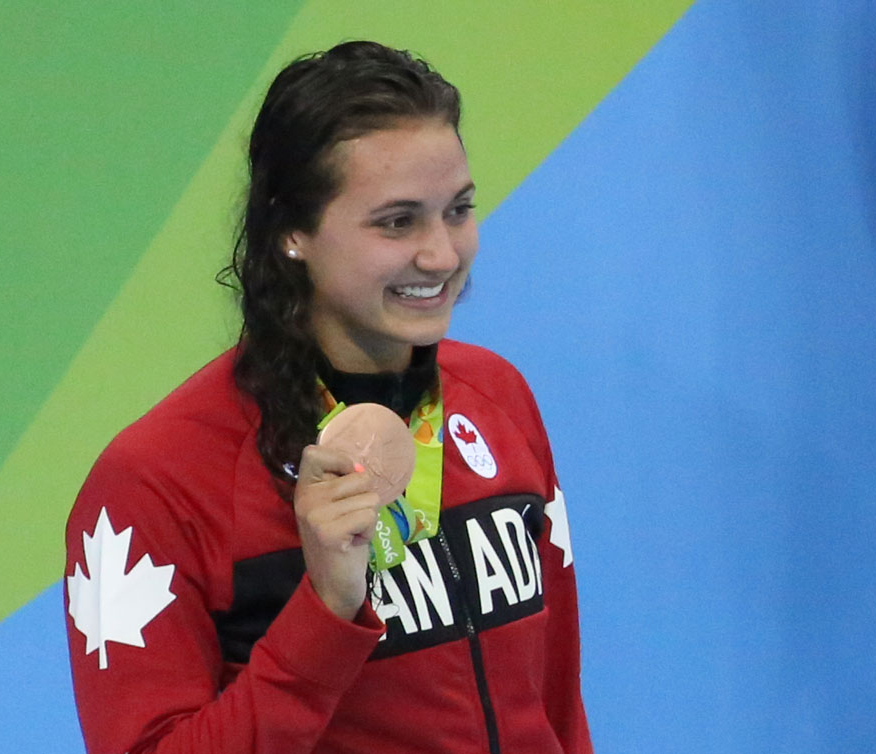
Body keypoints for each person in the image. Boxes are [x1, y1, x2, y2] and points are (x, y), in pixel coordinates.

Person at [64, 40, 592, 754]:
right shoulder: (157, 481)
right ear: (291, 231)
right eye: (397, 221)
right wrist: (323, 609)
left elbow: (557, 705)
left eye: (458, 210)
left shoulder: (496, 397)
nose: (442, 255)